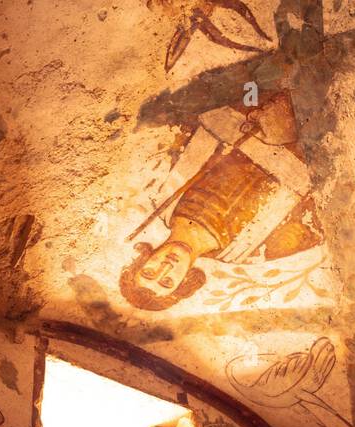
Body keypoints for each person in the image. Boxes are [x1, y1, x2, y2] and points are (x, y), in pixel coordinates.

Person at [119, 91, 323, 311]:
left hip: (261, 99)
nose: (166, 267)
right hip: (316, 124)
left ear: (143, 259)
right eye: (167, 282)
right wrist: (290, 139)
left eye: (149, 272)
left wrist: (253, 113)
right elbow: (319, 197)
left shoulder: (163, 194)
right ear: (185, 281)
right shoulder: (248, 252)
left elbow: (197, 111)